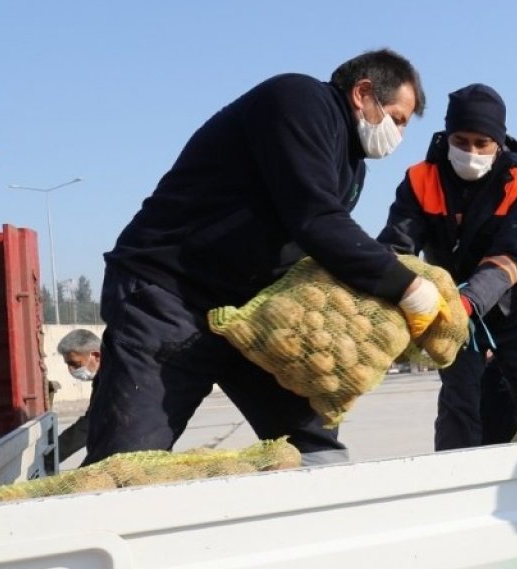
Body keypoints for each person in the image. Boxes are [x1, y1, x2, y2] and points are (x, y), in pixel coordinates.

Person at [86, 49, 445, 467]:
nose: (397, 135)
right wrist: (407, 286)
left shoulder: (351, 165)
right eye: (397, 119)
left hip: (251, 315)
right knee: (124, 467)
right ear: (363, 93)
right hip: (169, 298)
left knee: (313, 448)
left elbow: (321, 247)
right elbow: (316, 221)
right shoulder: (298, 101)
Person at [380, 83, 517, 450]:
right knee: (460, 408)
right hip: (449, 318)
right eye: (461, 141)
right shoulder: (420, 180)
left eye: (482, 143)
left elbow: (510, 257)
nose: (471, 152)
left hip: (515, 312)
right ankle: (455, 487)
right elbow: (398, 248)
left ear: (499, 142)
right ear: (447, 137)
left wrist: (468, 301)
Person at [55, 329, 101, 460]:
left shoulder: (114, 379)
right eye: (68, 364)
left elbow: (91, 423)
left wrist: (52, 455)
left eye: (75, 364)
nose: (71, 370)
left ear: (96, 356)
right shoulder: (103, 378)